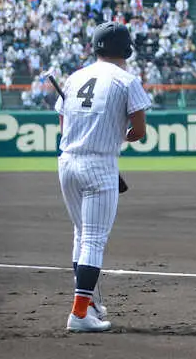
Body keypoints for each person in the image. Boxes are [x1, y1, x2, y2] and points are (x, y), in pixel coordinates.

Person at [56, 22, 152, 332]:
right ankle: (79, 314)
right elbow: (138, 131)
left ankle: (90, 305)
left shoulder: (74, 77)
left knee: (81, 234)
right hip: (99, 165)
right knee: (93, 240)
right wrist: (116, 135)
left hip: (67, 162)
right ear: (127, 49)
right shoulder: (127, 80)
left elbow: (63, 125)